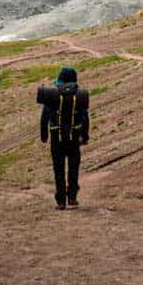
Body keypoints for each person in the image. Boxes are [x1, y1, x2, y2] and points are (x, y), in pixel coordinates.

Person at [40, 66, 89, 210]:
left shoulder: (52, 96)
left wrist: (44, 135)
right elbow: (85, 118)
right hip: (74, 139)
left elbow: (44, 117)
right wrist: (85, 136)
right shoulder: (79, 96)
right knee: (73, 168)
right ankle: (72, 198)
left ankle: (61, 201)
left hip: (57, 138)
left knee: (58, 169)